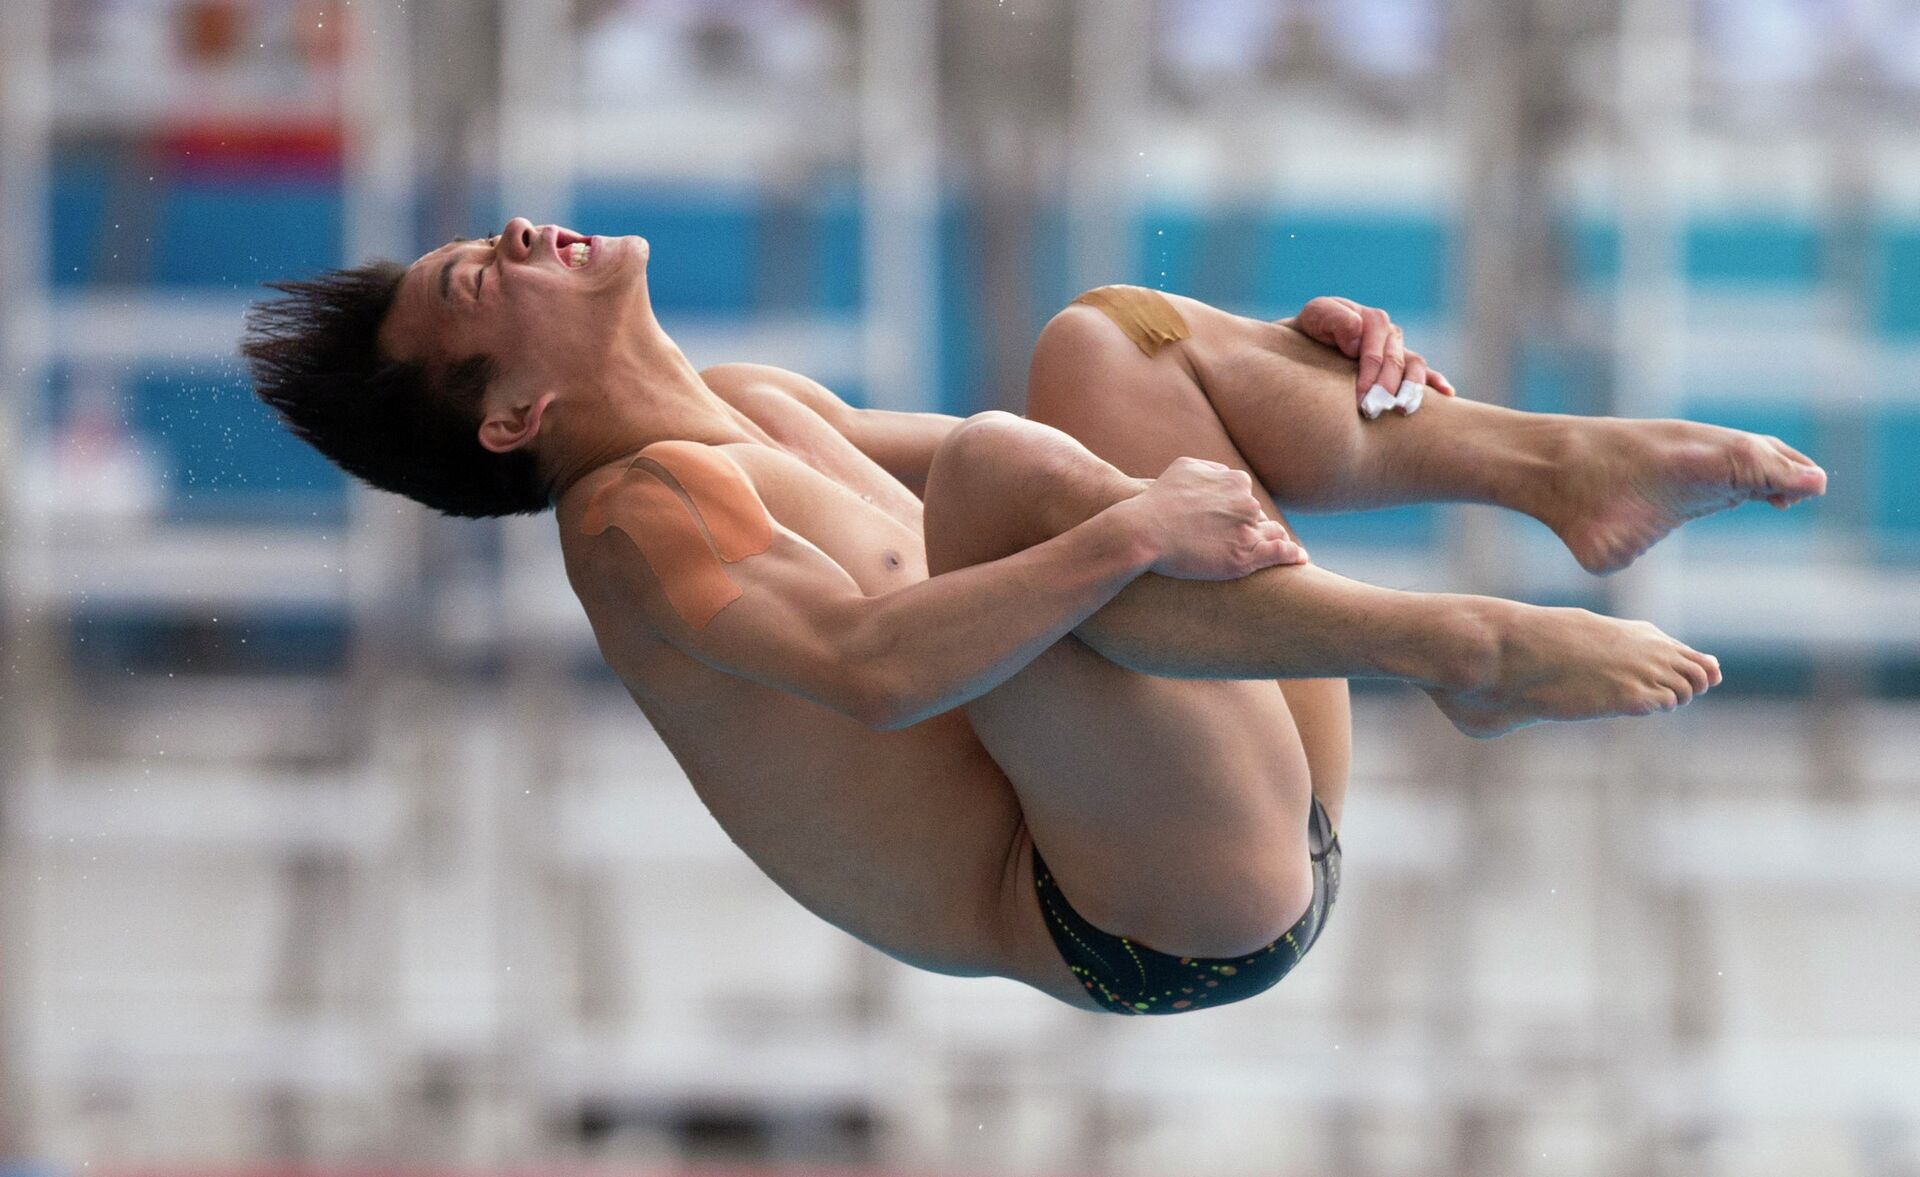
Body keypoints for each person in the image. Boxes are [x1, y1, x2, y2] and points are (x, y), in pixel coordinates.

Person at [242, 218, 1826, 1015]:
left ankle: (1560, 469)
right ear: (509, 414)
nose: (517, 236)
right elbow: (872, 670)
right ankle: (1459, 648)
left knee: (1103, 344)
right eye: (474, 285)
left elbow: (1112, 448)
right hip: (1141, 908)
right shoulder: (632, 520)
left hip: (1221, 779)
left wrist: (1264, 356)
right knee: (1009, 482)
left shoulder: (752, 404)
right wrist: (1142, 516)